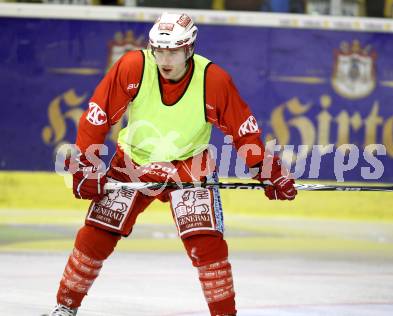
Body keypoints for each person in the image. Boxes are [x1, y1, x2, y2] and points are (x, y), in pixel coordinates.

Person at [49, 12, 297, 316]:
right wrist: (85, 166)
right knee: (96, 234)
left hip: (190, 166)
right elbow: (97, 116)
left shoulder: (213, 80)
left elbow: (243, 131)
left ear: (189, 49)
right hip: (134, 161)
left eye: (174, 51)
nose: (165, 60)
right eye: (160, 51)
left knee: (207, 245)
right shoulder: (133, 67)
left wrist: (267, 171)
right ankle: (65, 307)